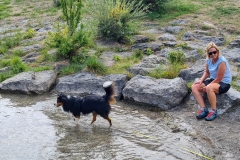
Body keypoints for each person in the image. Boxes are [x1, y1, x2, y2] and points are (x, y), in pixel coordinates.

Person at [191, 42, 232, 121]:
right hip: (213, 80)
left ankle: (214, 111)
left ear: (217, 51)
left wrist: (206, 87)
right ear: (208, 54)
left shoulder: (222, 61)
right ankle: (204, 109)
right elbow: (207, 72)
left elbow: (219, 78)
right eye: (210, 53)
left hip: (224, 83)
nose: (213, 54)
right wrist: (201, 80)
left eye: (214, 52)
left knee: (209, 88)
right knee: (194, 87)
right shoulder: (209, 61)